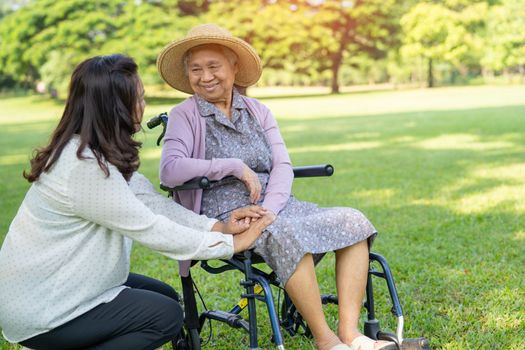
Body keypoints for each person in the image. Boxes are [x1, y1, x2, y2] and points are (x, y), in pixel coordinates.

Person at [0, 54, 273, 350]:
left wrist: (219, 227)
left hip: (56, 287)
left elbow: (151, 204)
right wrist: (231, 246)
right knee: (165, 316)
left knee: (167, 298)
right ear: (114, 107)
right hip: (44, 308)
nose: (142, 105)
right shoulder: (84, 168)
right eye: (138, 97)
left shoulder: (91, 151)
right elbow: (150, 227)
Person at [157, 24, 397, 350]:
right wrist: (234, 166)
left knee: (352, 220)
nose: (205, 76)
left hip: (277, 204)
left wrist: (271, 208)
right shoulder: (186, 115)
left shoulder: (258, 111)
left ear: (234, 67)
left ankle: (350, 333)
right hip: (228, 215)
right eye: (196, 69)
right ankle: (325, 340)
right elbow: (171, 170)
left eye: (214, 67)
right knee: (281, 233)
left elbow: (282, 165)